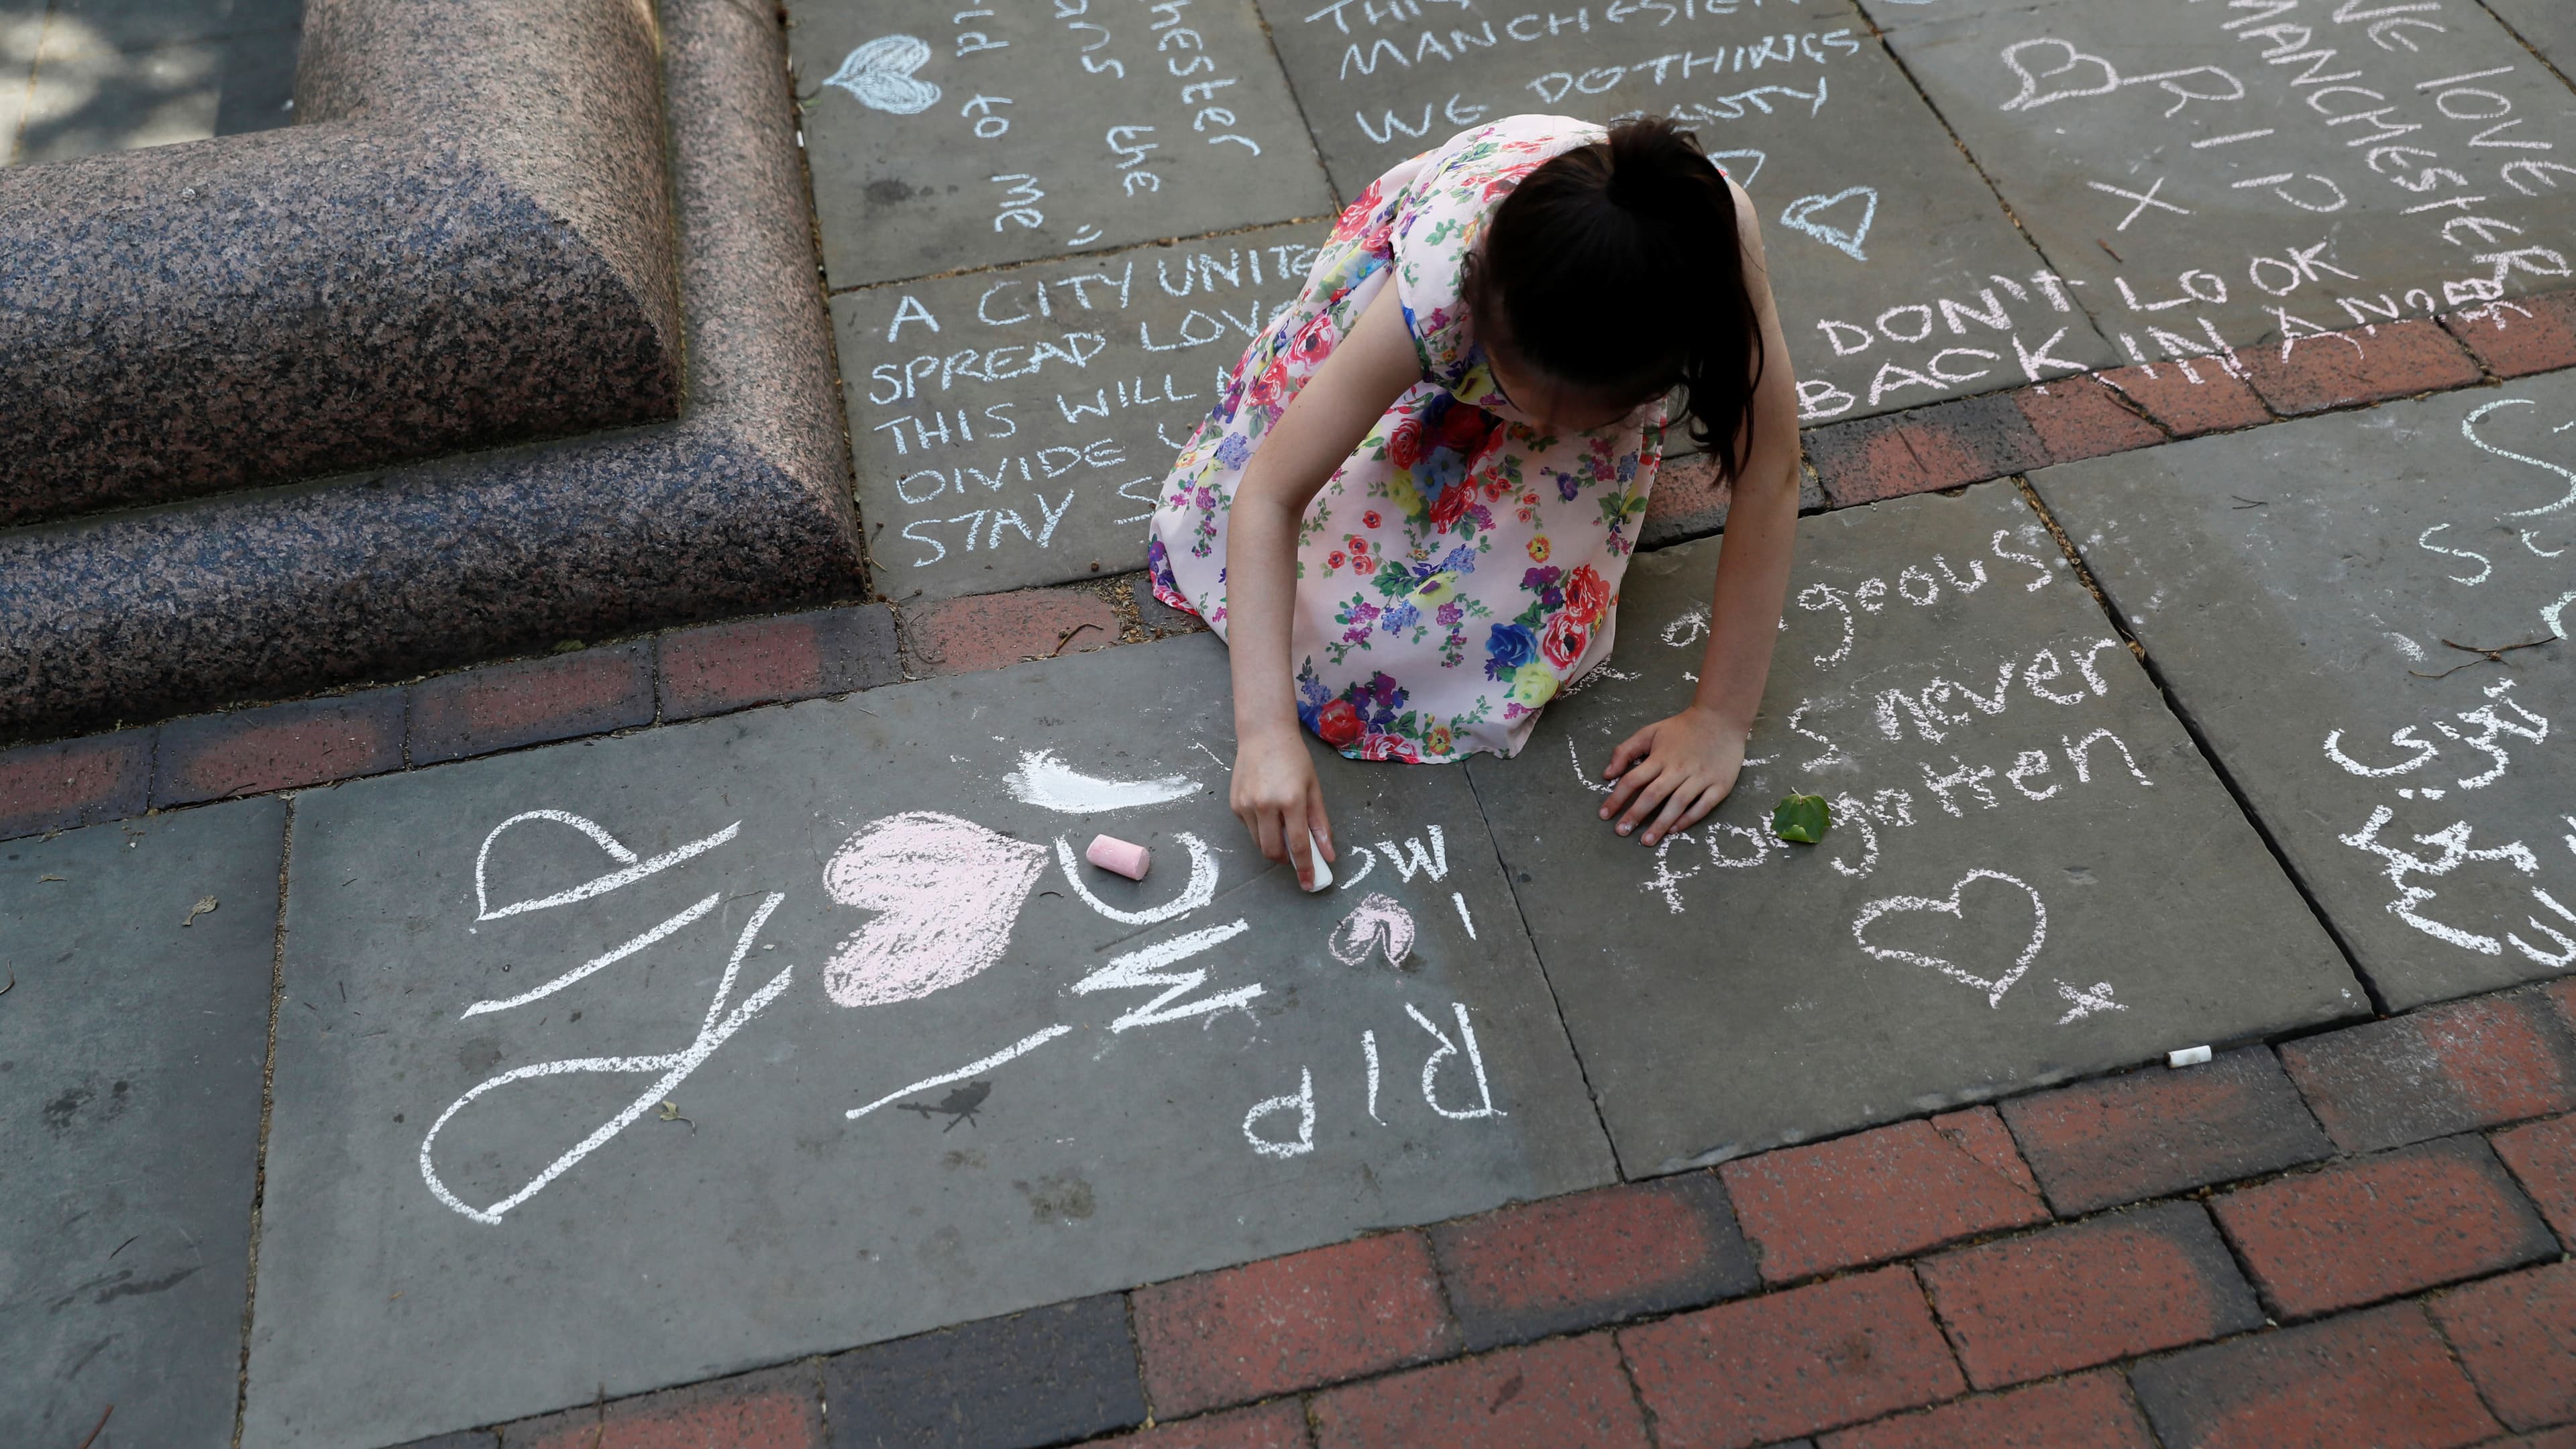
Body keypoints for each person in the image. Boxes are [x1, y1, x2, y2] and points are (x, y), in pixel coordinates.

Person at [1145, 113, 1803, 888]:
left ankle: (1551, 441)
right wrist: (1262, 733)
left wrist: (1722, 720)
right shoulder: (1436, 288)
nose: (1547, 428)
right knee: (1322, 610)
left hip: (1585, 316)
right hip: (1451, 297)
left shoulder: (1714, 266)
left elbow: (1772, 472)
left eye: (1570, 422)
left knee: (1482, 632)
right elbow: (1270, 493)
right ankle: (1460, 418)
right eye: (1537, 409)